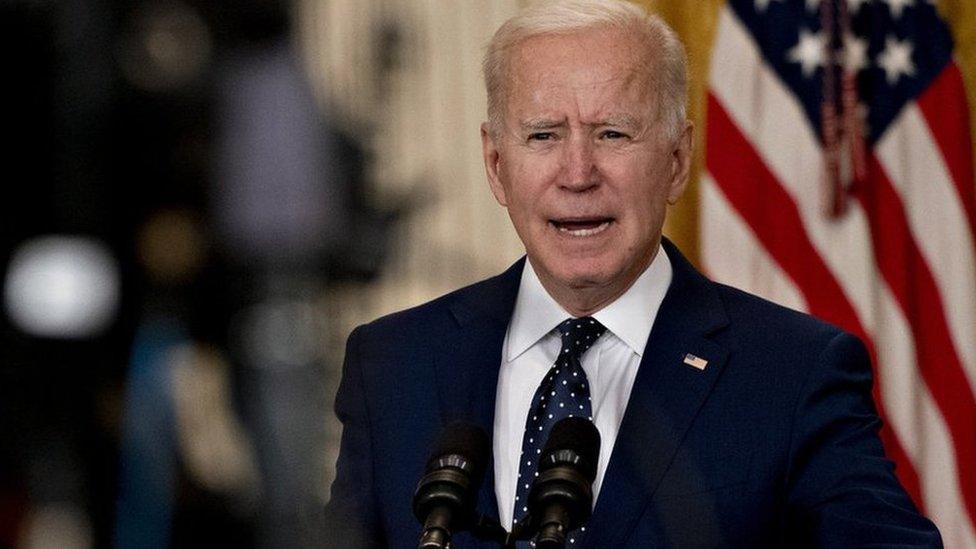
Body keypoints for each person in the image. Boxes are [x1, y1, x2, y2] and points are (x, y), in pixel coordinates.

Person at [324, 1, 942, 547]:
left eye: (612, 133)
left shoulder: (794, 374)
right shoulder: (392, 364)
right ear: (495, 164)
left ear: (676, 161)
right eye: (543, 135)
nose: (578, 172)